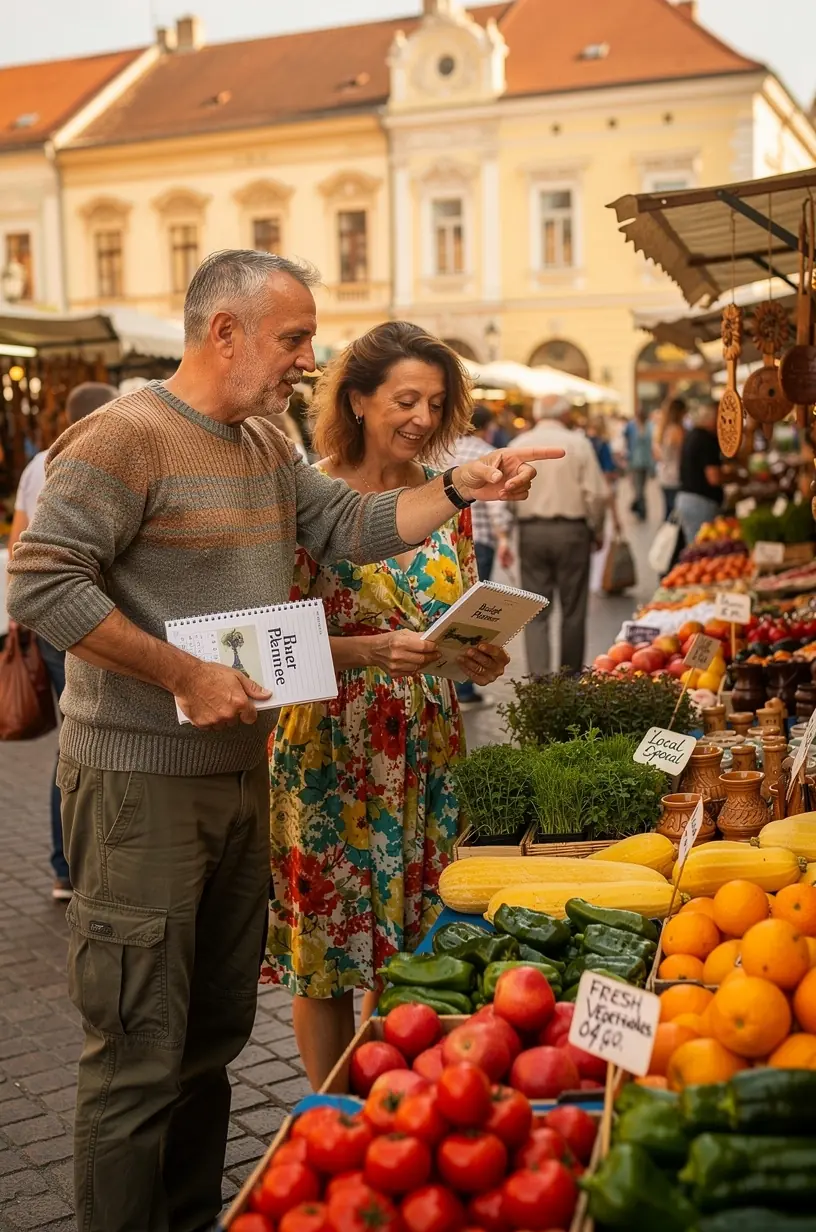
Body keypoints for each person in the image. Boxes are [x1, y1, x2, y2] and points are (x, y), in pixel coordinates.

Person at [6, 249, 561, 1232]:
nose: (310, 359)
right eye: (295, 338)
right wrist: (183, 672)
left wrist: (463, 485)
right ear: (225, 332)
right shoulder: (125, 434)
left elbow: (353, 523)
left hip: (238, 773)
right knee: (136, 1053)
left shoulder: (264, 442)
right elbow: (43, 581)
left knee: (211, 1040)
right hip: (138, 782)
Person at [264, 323, 511, 1087]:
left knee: (412, 944)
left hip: (428, 745)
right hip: (330, 750)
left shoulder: (447, 499)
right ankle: (332, 1112)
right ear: (357, 400)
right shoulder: (307, 497)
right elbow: (270, 643)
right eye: (406, 400)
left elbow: (460, 607)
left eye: (435, 403)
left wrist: (479, 652)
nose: (422, 419)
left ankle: (391, 1097)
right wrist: (368, 652)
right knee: (327, 953)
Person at [7, 380, 118, 902]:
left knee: (72, 739)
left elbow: (18, 544)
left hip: (49, 621)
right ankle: (90, 864)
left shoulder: (37, 465)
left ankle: (64, 868)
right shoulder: (102, 457)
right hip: (93, 617)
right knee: (92, 737)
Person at [512, 397, 608, 674]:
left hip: (531, 531)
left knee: (534, 609)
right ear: (565, 414)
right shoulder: (578, 443)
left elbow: (505, 496)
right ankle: (568, 676)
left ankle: (539, 680)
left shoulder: (518, 445)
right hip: (572, 531)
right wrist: (597, 529)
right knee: (573, 609)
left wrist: (507, 533)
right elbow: (596, 494)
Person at [442, 404, 514, 706]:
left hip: (443, 540)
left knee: (447, 610)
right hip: (478, 540)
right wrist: (504, 539)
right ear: (488, 427)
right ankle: (465, 687)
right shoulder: (488, 454)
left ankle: (445, 682)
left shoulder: (443, 451)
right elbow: (497, 504)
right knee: (472, 616)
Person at [676, 401, 723, 547]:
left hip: (686, 498)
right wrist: (736, 477)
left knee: (694, 547)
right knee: (703, 548)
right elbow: (714, 477)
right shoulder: (707, 440)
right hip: (700, 502)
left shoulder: (692, 435)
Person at [654, 397, 686, 520]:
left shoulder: (663, 430)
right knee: (675, 515)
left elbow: (657, 455)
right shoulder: (677, 431)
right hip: (675, 476)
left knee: (668, 512)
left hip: (664, 475)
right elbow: (684, 454)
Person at [624, 405, 655, 520]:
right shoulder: (631, 426)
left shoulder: (650, 426)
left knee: (641, 487)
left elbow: (651, 444)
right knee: (638, 488)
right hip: (635, 461)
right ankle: (641, 510)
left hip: (646, 461)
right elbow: (627, 442)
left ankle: (639, 508)